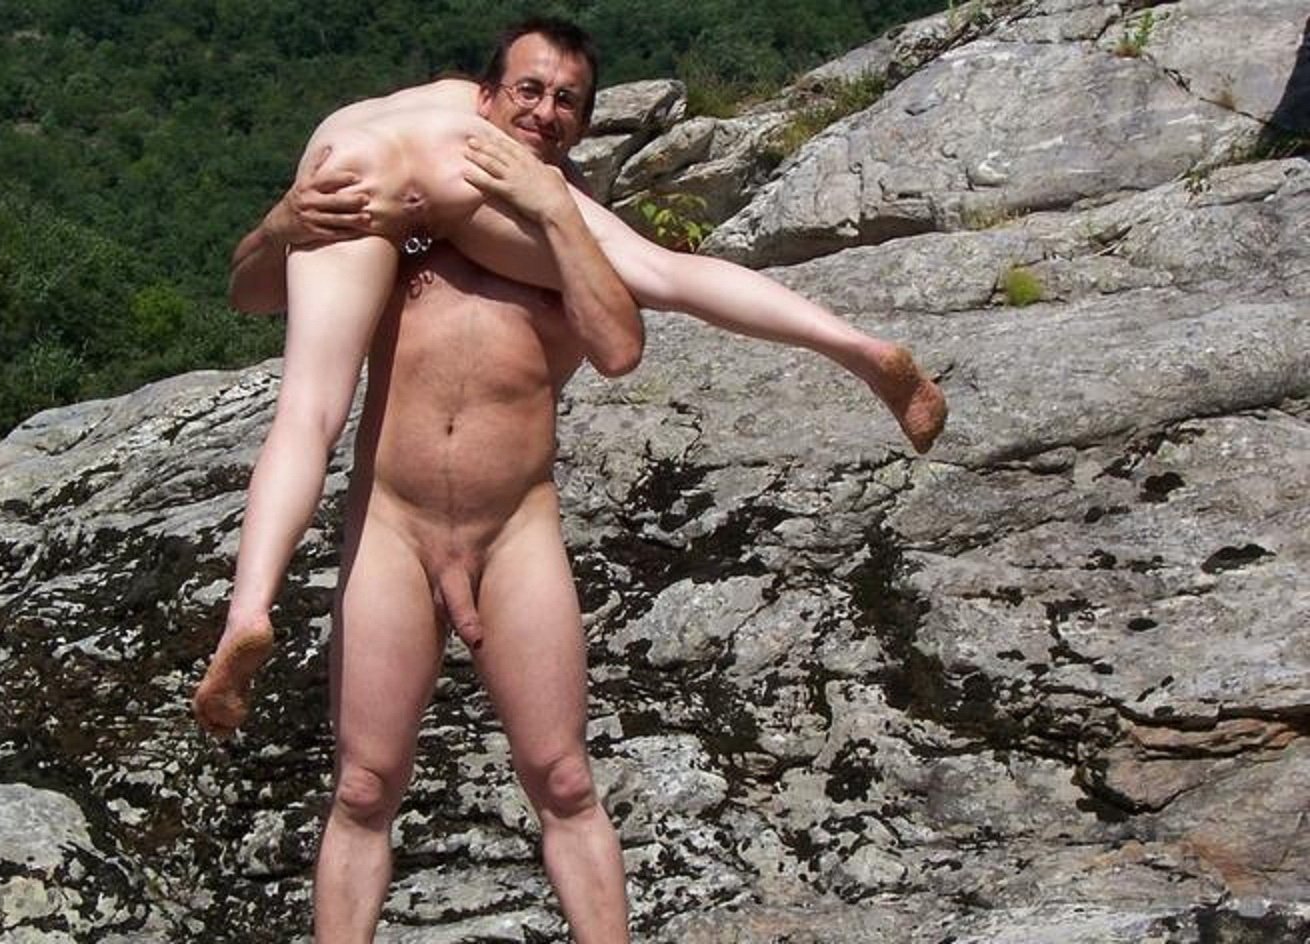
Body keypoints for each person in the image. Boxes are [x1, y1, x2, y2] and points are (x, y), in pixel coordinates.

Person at [192, 18, 944, 941]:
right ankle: (857, 349)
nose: (545, 111)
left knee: (561, 778)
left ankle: (248, 606)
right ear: (484, 95)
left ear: (584, 124)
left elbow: (620, 346)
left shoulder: (560, 215)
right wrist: (280, 222)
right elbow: (249, 286)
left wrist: (549, 206)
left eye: (566, 102)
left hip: (512, 530)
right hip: (394, 524)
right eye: (529, 91)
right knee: (363, 787)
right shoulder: (441, 189)